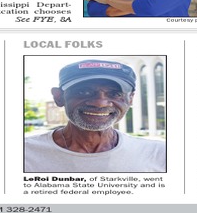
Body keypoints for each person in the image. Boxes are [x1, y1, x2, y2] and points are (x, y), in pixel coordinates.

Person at [24, 60, 166, 172]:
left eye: (115, 94)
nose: (100, 103)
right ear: (59, 97)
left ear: (130, 99)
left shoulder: (159, 154)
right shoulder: (25, 153)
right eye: (84, 92)